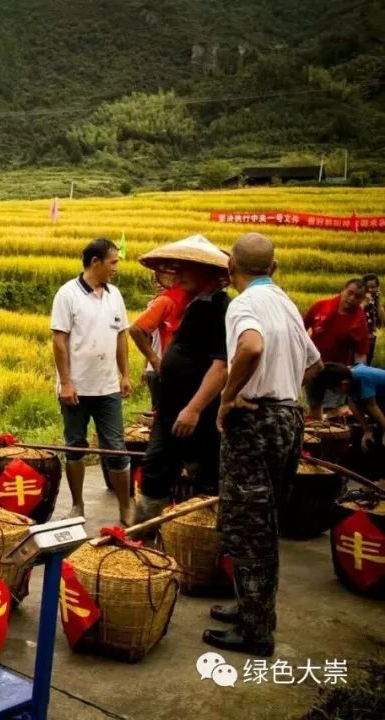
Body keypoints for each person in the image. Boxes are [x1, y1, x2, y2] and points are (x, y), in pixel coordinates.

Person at [205, 232, 322, 657]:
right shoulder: (285, 302)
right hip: (287, 418)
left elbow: (250, 347)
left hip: (254, 423)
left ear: (230, 268)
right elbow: (315, 364)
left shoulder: (244, 304)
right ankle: (250, 608)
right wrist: (282, 389)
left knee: (249, 527)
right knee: (263, 520)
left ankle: (256, 633)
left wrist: (229, 395)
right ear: (272, 268)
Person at [134, 235, 230, 523]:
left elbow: (221, 365)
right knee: (155, 469)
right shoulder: (195, 304)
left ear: (209, 273)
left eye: (187, 268)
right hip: (172, 412)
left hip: (195, 417)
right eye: (177, 268)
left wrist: (194, 409)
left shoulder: (219, 307)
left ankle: (196, 536)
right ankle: (145, 533)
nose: (179, 274)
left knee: (202, 475)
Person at [51, 237, 134, 525]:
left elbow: (121, 337)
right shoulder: (68, 294)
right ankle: (77, 505)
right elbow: (59, 341)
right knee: (75, 445)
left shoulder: (115, 295)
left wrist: (124, 375)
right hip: (76, 387)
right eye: (113, 262)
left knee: (116, 448)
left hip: (107, 386)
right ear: (95, 262)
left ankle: (125, 507)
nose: (116, 268)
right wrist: (66, 382)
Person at [303, 278, 370, 418]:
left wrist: (355, 377)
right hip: (313, 366)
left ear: (362, 299)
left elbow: (361, 355)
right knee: (314, 406)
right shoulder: (321, 306)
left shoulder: (359, 322)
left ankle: (333, 436)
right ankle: (318, 435)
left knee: (333, 411)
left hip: (337, 372)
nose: (352, 298)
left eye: (357, 297)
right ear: (342, 291)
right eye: (349, 293)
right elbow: (300, 330)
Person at [129, 271, 188, 412]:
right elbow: (138, 331)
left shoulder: (186, 301)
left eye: (161, 279)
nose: (160, 284)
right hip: (162, 369)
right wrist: (152, 361)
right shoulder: (163, 302)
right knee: (164, 414)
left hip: (175, 369)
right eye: (156, 281)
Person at [317, 361, 385, 453]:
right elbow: (352, 405)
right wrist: (366, 430)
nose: (332, 392)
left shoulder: (362, 377)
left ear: (343, 384)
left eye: (332, 389)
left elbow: (372, 406)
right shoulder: (348, 375)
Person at [362, 273, 382, 365]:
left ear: (378, 287)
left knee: (367, 363)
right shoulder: (358, 298)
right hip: (359, 336)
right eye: (367, 287)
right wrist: (365, 302)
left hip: (370, 336)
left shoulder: (375, 299)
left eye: (373, 287)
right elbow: (354, 313)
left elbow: (382, 320)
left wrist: (378, 301)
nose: (370, 290)